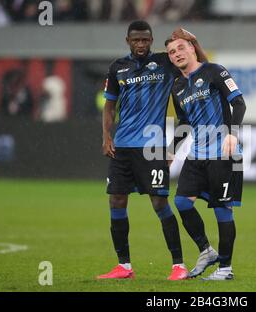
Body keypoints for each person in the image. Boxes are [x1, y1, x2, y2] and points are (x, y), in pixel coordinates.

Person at [98, 20, 207, 280]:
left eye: (145, 40)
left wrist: (193, 40)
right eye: (136, 40)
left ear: (151, 40)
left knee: (159, 202)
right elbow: (109, 106)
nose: (141, 44)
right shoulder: (117, 68)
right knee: (116, 200)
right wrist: (106, 136)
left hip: (152, 147)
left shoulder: (165, 62)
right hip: (122, 147)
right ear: (128, 41)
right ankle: (124, 266)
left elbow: (197, 62)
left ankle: (178, 265)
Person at [166, 37, 246, 280]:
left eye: (181, 47)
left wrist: (232, 134)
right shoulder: (177, 86)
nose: (176, 53)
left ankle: (225, 269)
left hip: (224, 153)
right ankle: (207, 251)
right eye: (171, 52)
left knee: (222, 210)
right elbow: (185, 123)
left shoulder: (215, 71)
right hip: (197, 154)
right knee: (181, 202)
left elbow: (239, 104)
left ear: (192, 48)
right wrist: (170, 152)